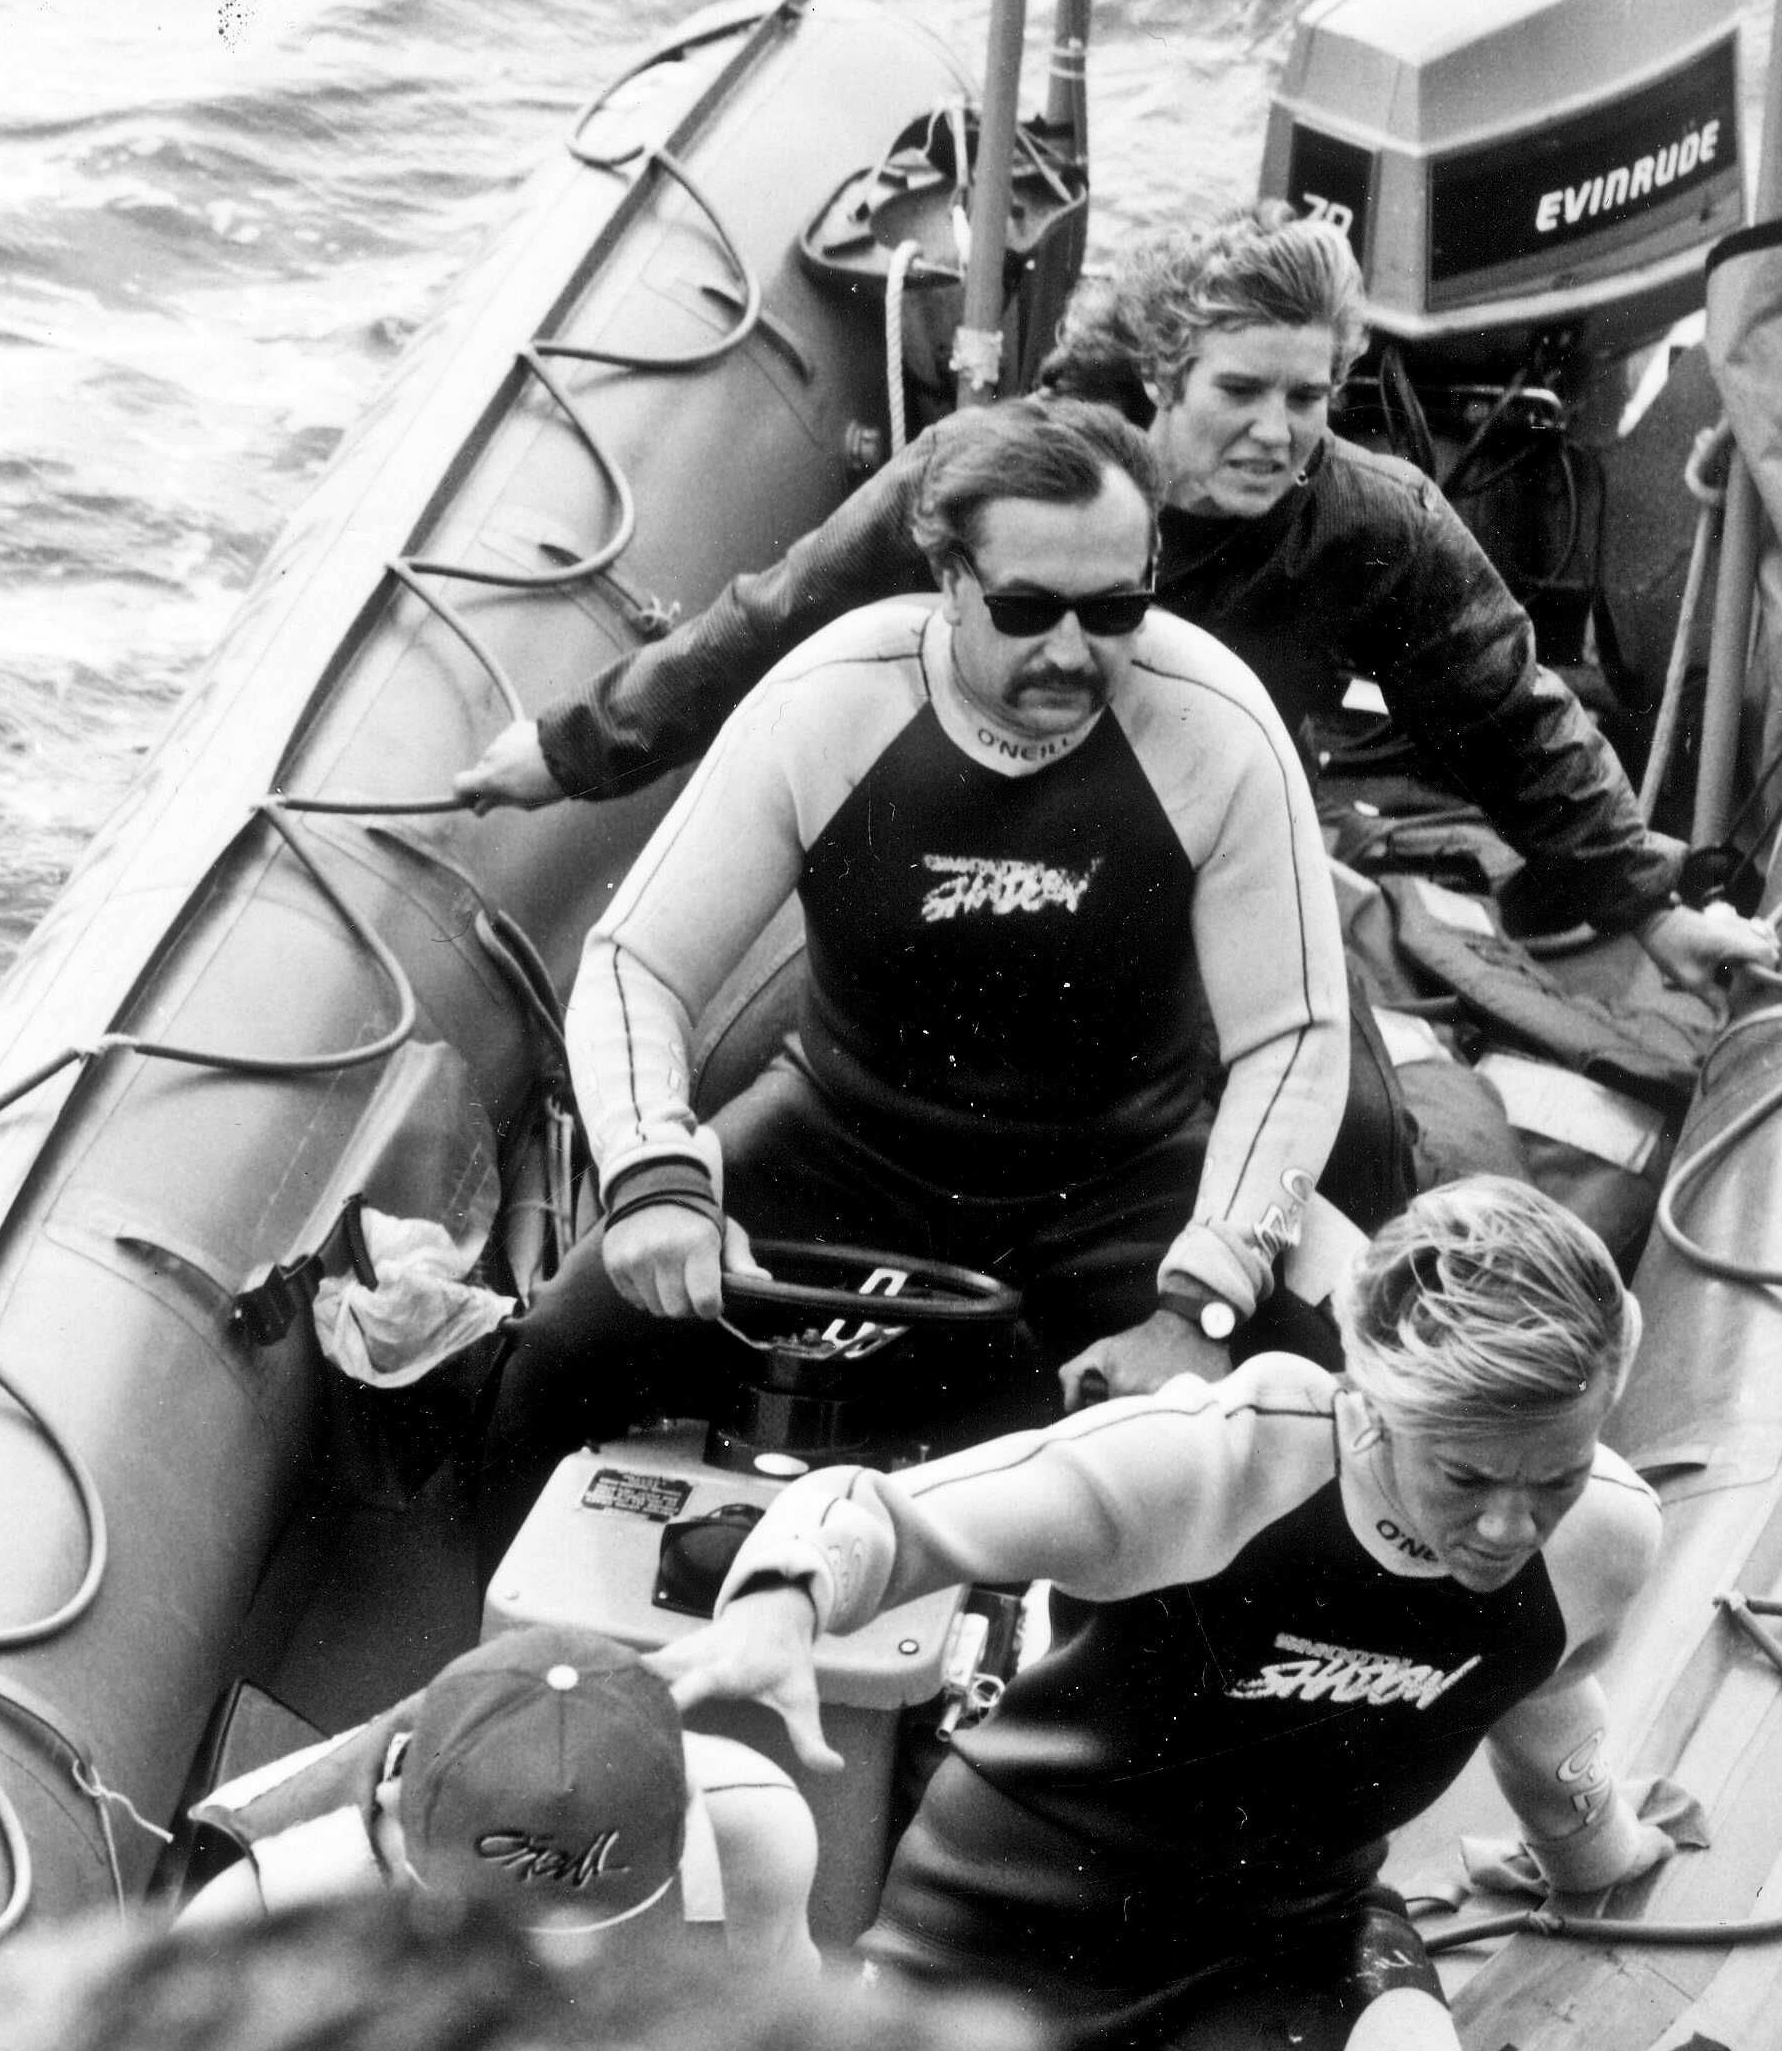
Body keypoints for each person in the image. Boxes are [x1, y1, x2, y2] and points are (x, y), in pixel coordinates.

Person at [654, 1176, 1681, 2051]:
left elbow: (1540, 1696)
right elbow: (885, 1516)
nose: (1507, 1528)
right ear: (1370, 1405)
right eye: (1466, 1477)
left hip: (1279, 1949)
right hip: (1007, 1930)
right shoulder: (1218, 1464)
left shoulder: (1602, 1536)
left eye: (1549, 1477)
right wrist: (783, 1602)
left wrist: (1595, 1846)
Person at [455, 207, 1777, 1010]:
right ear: (1160, 377)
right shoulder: (990, 476)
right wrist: (570, 749)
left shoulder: (1370, 521)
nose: (1276, 433)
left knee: (1378, 1145)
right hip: (962, 835)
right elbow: (777, 620)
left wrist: (1650, 904)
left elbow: (1509, 719)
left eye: (1307, 399)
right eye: (1239, 392)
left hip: (1202, 867)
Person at [475, 395, 1348, 1566]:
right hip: (844, 1141)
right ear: (946, 577)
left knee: (1318, 1435)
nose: (1071, 650)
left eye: (1114, 609)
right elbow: (637, 961)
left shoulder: (1218, 727)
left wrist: (1204, 1298)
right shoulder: (832, 695)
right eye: (1026, 609)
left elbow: (1292, 1037)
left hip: (1118, 1173)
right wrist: (655, 1177)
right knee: (550, 1367)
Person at [178, 1619, 819, 1985]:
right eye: (495, 1937)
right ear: (394, 1806)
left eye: (603, 1942)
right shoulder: (246, 1927)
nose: (547, 1992)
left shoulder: (754, 1827)